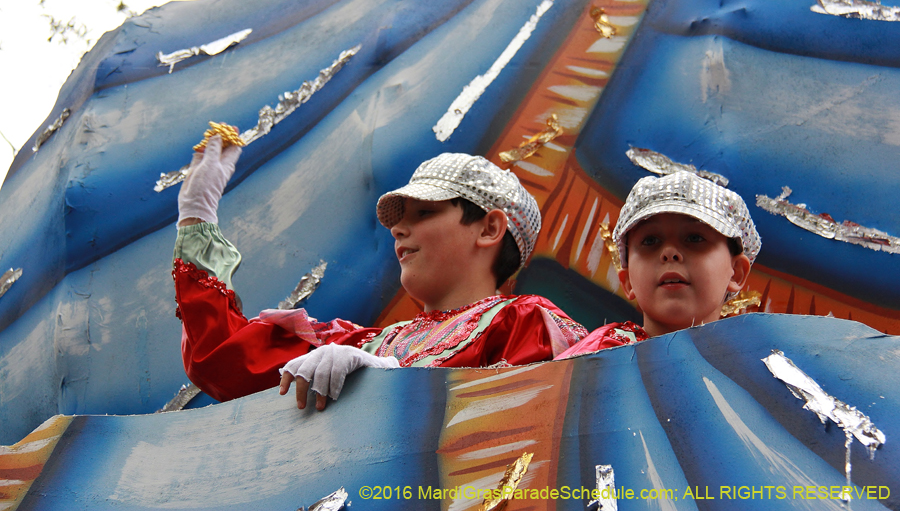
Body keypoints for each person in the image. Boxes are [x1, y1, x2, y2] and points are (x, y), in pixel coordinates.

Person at [173, 138, 587, 408]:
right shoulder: (359, 345)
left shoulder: (527, 322)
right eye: (398, 219)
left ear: (490, 228)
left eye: (424, 212)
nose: (398, 229)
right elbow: (223, 360)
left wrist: (391, 382)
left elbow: (536, 425)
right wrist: (196, 217)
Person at [555, 171, 761, 359]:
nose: (669, 252)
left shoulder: (762, 372)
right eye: (650, 241)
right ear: (627, 282)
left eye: (695, 238)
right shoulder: (587, 364)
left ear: (736, 273)